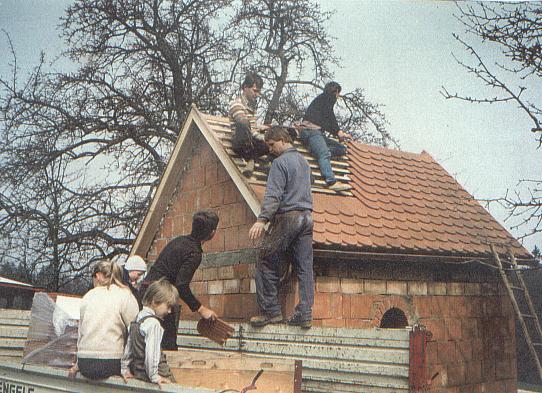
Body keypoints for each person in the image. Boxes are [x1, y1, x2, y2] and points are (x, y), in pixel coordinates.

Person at [248, 126, 314, 329]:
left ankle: (271, 312)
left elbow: (273, 194)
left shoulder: (280, 162)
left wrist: (262, 219)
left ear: (283, 140)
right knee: (304, 268)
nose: (270, 149)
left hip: (288, 218)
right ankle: (304, 314)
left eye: (271, 144)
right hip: (307, 218)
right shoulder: (304, 162)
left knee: (265, 260)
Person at [143, 210, 219, 350]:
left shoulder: (179, 241)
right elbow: (181, 285)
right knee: (168, 345)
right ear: (212, 233)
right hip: (159, 296)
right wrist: (201, 309)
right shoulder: (194, 252)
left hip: (145, 292)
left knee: (144, 341)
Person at [70, 260, 139, 379]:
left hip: (85, 363)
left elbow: (81, 333)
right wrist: (126, 368)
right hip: (110, 364)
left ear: (97, 276)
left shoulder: (88, 296)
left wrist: (77, 364)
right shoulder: (126, 295)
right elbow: (135, 333)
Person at [121, 279, 179, 386]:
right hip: (158, 374)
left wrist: (124, 368)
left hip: (138, 373)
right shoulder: (153, 324)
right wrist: (154, 376)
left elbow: (128, 347)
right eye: (168, 306)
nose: (169, 311)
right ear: (155, 302)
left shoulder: (137, 318)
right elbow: (151, 352)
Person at [300, 81, 352, 192]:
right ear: (336, 92)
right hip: (311, 131)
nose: (338, 97)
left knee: (341, 149)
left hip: (317, 132)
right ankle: (331, 181)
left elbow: (326, 121)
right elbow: (330, 117)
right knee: (324, 154)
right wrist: (338, 132)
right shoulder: (327, 98)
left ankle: (318, 150)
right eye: (338, 94)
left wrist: (338, 132)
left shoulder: (322, 101)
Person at [229, 72, 270, 176]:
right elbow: (245, 126)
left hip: (251, 140)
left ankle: (260, 161)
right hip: (240, 143)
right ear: (245, 87)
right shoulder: (236, 103)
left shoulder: (252, 106)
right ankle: (252, 159)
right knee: (243, 122)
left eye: (258, 92)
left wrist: (267, 135)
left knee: (280, 135)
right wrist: (260, 137)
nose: (256, 94)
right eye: (255, 91)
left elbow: (253, 127)